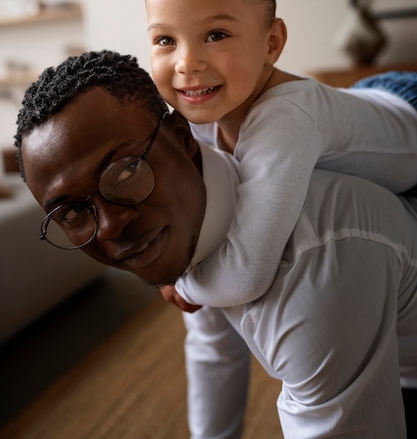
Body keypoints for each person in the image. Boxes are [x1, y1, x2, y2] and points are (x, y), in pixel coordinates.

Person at [15, 50, 417, 438]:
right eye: (70, 213)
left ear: (183, 136)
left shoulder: (312, 267)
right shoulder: (192, 217)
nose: (110, 227)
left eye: (125, 173)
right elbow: (214, 348)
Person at [145, 0, 417, 309]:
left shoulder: (284, 119)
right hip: (363, 103)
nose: (186, 63)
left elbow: (245, 274)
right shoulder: (200, 119)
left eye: (215, 34)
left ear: (271, 44)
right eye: (165, 40)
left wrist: (181, 284)